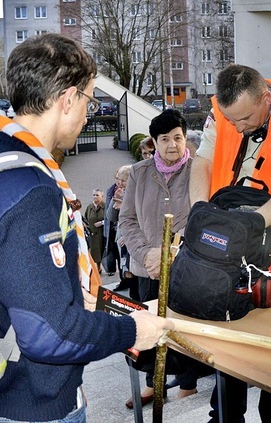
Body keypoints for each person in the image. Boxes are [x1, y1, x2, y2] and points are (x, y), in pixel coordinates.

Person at [0, 33, 172, 422]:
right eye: (89, 99)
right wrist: (131, 332)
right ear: (67, 99)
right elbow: (48, 335)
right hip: (32, 403)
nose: (89, 113)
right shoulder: (29, 188)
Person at [189, 64, 271, 422]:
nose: (238, 127)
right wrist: (198, 214)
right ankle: (225, 417)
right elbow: (201, 163)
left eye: (245, 119)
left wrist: (254, 222)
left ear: (265, 98)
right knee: (229, 347)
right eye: (231, 120)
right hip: (231, 257)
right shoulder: (224, 110)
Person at [119, 108, 201, 408]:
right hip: (147, 269)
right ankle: (154, 385)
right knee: (148, 330)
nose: (172, 145)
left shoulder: (197, 171)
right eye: (164, 139)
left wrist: (171, 251)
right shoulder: (139, 174)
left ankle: (188, 384)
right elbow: (127, 220)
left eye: (177, 138)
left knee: (183, 327)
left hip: (183, 268)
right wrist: (146, 254)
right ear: (154, 142)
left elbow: (200, 218)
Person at [106, 165, 140, 300]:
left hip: (134, 241)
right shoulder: (120, 192)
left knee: (134, 272)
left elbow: (143, 219)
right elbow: (110, 217)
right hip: (121, 241)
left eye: (123, 180)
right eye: (118, 179)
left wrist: (124, 205)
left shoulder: (139, 193)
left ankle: (138, 302)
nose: (119, 183)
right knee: (126, 271)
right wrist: (115, 202)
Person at [83, 188, 106, 272]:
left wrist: (102, 222)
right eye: (94, 195)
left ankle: (108, 267)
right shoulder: (89, 207)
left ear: (102, 197)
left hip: (102, 233)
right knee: (94, 252)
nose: (95, 197)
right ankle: (97, 268)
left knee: (103, 251)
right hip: (92, 234)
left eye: (97, 195)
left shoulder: (105, 206)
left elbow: (110, 219)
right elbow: (86, 219)